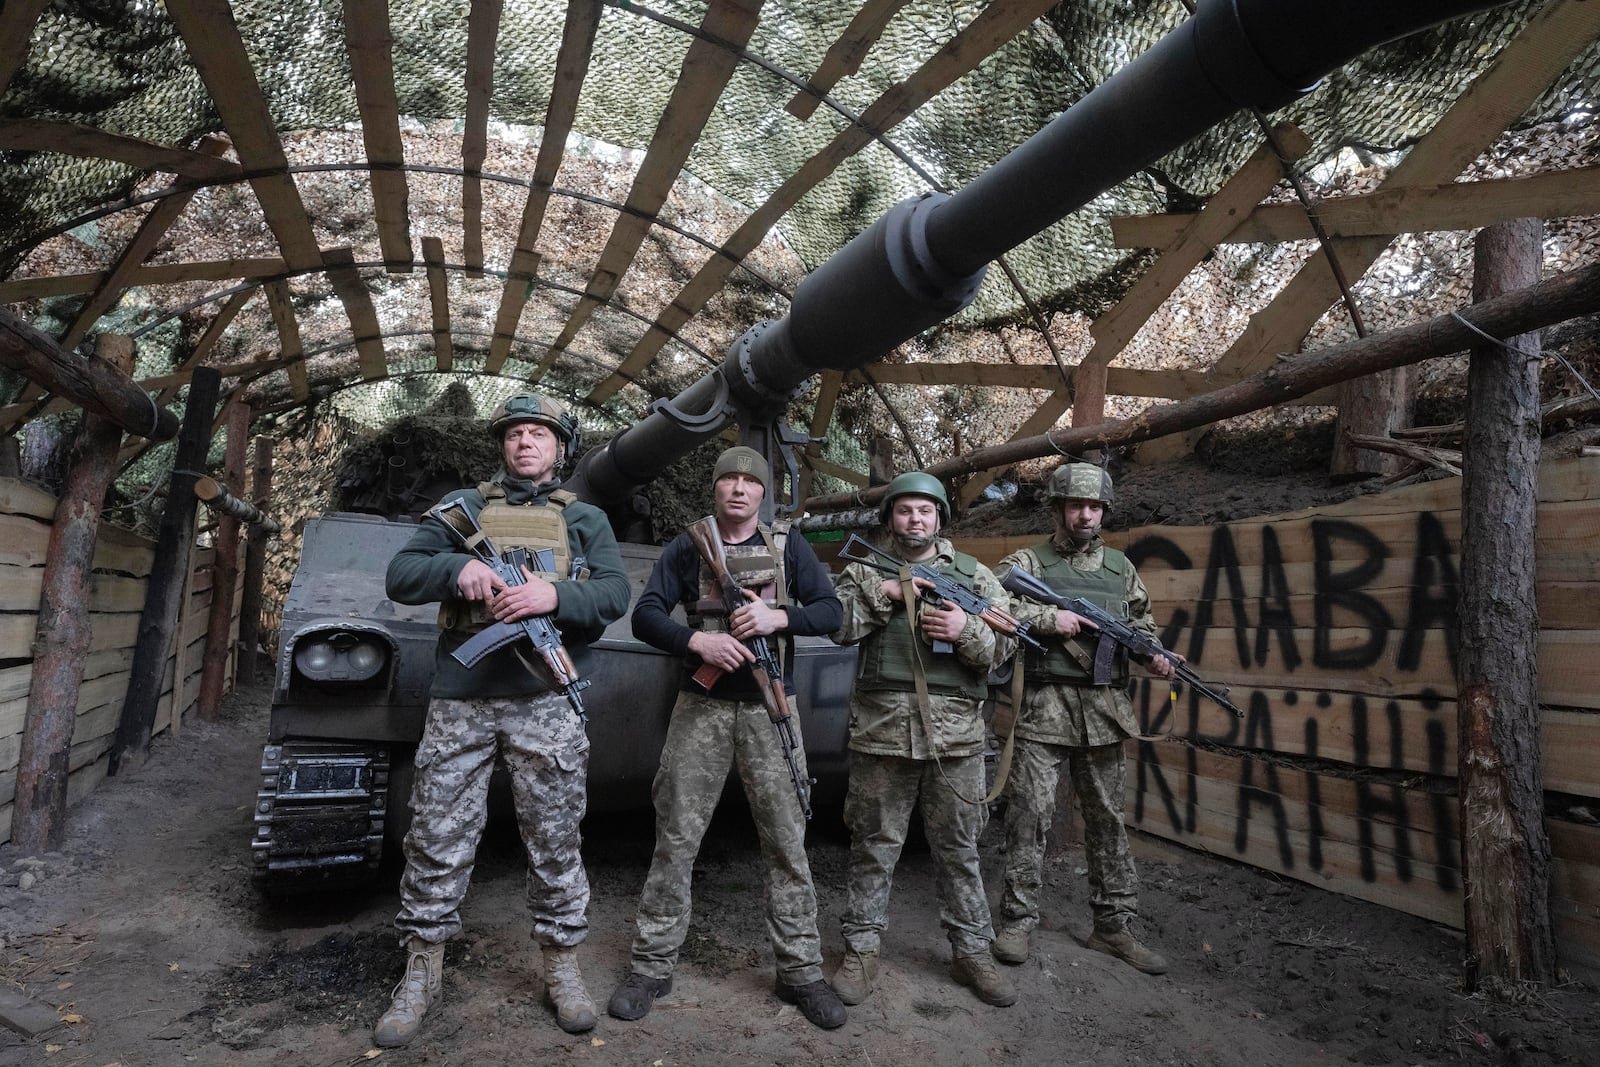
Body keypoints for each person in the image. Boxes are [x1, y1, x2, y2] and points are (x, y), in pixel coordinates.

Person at [375, 393, 630, 1044]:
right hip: (464, 696)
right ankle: (422, 966)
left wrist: (555, 593)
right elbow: (402, 574)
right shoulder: (462, 509)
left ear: (561, 448)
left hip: (546, 699)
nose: (525, 443)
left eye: (539, 434)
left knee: (554, 838)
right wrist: (457, 566)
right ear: (503, 445)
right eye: (515, 433)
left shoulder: (585, 520)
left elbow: (613, 595)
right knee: (435, 833)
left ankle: (562, 964)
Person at [608, 446, 847, 1030]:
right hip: (702, 708)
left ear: (763, 494)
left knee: (788, 843)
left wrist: (777, 619)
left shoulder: (789, 549)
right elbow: (646, 616)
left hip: (772, 710)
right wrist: (699, 644)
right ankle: (651, 966)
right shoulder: (687, 545)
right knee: (676, 839)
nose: (739, 489)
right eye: (729, 480)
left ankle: (801, 972)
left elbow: (831, 611)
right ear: (715, 488)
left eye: (750, 482)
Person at [828, 472, 1018, 1008]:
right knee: (873, 845)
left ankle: (971, 952)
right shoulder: (865, 570)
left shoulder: (975, 576)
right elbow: (838, 627)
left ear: (940, 519)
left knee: (960, 850)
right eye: (906, 510)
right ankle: (861, 950)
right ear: (890, 517)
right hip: (882, 734)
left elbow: (1007, 648)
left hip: (956, 739)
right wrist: (886, 594)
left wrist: (966, 631)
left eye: (926, 511)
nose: (916, 520)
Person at [990, 461, 1174, 975]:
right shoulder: (1029, 561)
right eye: (1075, 505)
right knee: (1028, 816)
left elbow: (1143, 624)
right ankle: (1018, 920)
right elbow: (991, 603)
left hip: (1104, 713)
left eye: (1093, 506)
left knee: (1109, 821)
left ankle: (1113, 925)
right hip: (1043, 709)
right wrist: (1048, 618)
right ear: (1057, 508)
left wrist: (1153, 654)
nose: (1084, 514)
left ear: (1104, 512)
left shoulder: (1122, 569)